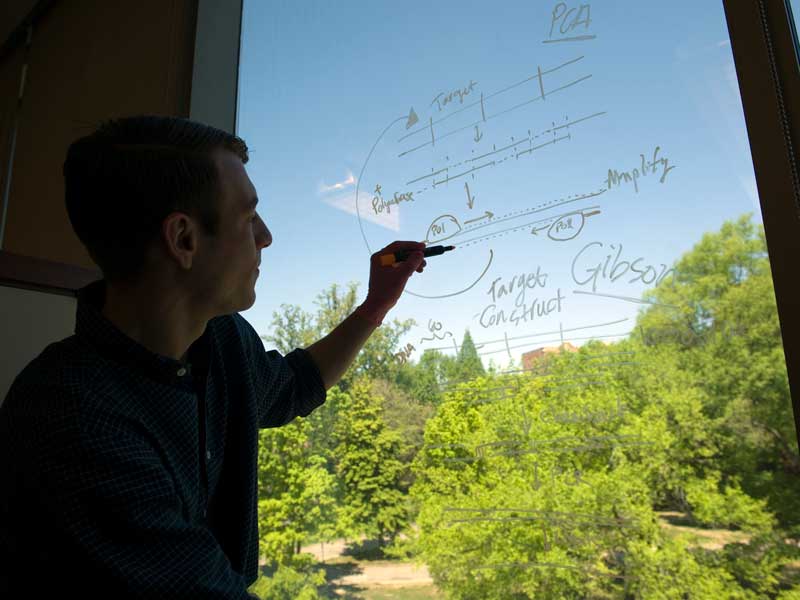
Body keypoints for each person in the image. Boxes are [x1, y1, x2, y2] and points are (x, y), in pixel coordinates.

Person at [0, 115, 427, 598]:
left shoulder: (222, 341)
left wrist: (376, 305)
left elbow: (292, 387)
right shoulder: (73, 421)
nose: (265, 235)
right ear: (183, 239)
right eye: (248, 217)